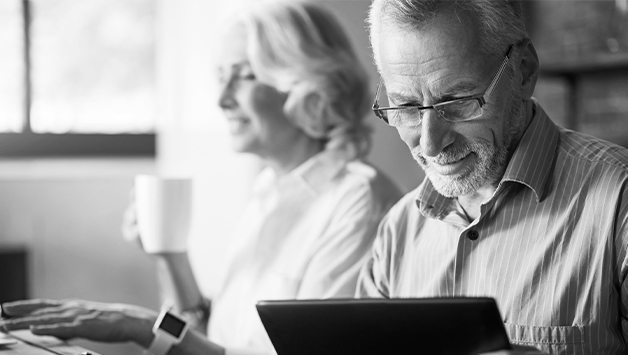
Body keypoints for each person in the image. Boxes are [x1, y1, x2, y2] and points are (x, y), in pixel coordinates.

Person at [0, 1, 402, 355]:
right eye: (220, 76)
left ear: (307, 85)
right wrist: (170, 256)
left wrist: (138, 327)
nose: (221, 98)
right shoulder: (268, 191)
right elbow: (209, 340)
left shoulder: (358, 205)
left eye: (243, 76)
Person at [357, 0, 628, 354]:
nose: (430, 142)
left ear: (524, 71)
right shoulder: (398, 232)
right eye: (406, 108)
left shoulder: (619, 202)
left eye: (457, 101)